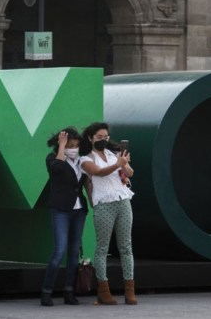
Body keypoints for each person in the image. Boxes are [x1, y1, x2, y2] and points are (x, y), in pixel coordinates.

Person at [79, 122, 137, 305]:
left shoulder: (114, 154)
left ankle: (130, 290)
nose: (103, 140)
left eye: (106, 137)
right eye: (99, 137)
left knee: (126, 246)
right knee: (103, 248)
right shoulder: (86, 159)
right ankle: (104, 291)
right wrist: (117, 165)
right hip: (103, 203)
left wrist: (124, 164)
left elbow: (130, 173)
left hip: (123, 200)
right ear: (90, 138)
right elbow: (99, 173)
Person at [40, 127, 90, 306]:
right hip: (61, 209)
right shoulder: (53, 159)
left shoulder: (82, 161)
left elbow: (86, 183)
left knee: (74, 251)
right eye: (69, 145)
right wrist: (61, 146)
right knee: (59, 250)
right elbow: (58, 169)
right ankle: (46, 291)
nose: (73, 148)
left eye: (76, 145)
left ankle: (69, 291)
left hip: (79, 210)